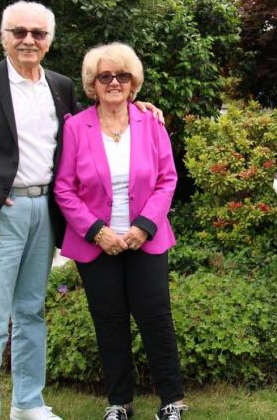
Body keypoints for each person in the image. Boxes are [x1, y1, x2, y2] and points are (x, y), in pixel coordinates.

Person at [0, 1, 164, 420]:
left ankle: (28, 404)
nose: (29, 40)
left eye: (38, 33)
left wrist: (141, 108)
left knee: (31, 312)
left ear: (48, 41)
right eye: (19, 32)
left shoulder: (60, 86)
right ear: (4, 37)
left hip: (45, 211)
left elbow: (97, 122)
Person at [54, 42, 187, 420]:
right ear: (92, 84)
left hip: (146, 240)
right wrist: (97, 231)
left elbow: (167, 179)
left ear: (133, 83)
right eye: (105, 76)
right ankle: (119, 403)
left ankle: (172, 401)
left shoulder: (151, 123)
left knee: (156, 319)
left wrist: (144, 227)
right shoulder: (75, 127)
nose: (114, 82)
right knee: (109, 322)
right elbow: (64, 188)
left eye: (122, 75)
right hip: (97, 244)